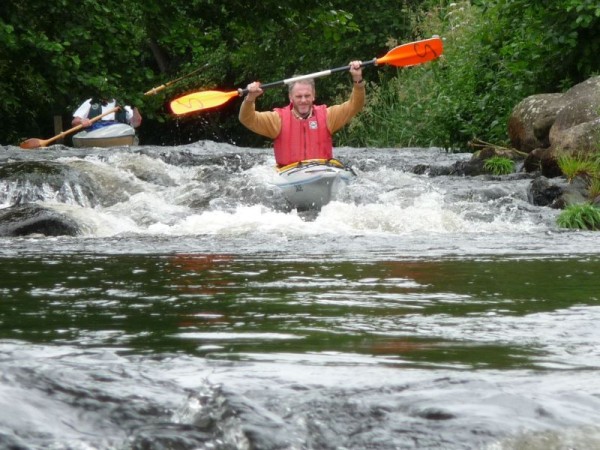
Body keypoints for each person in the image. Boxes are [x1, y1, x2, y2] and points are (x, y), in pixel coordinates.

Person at [239, 61, 365, 167]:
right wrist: (250, 98)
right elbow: (247, 118)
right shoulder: (277, 120)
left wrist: (357, 79)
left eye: (307, 95)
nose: (303, 100)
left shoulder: (328, 116)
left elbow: (355, 105)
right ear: (290, 97)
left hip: (321, 172)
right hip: (289, 174)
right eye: (299, 96)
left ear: (314, 95)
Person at [72, 97, 142, 130]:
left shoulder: (123, 104)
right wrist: (82, 121)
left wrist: (134, 107)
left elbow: (136, 124)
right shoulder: (91, 102)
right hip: (95, 136)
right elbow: (74, 122)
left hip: (117, 136)